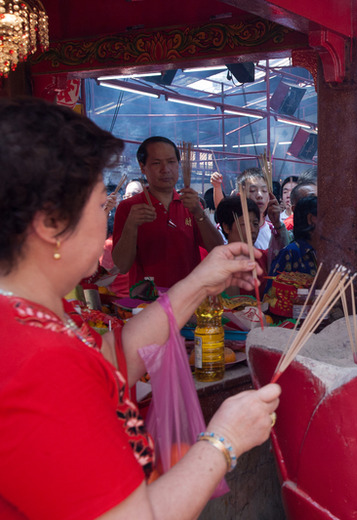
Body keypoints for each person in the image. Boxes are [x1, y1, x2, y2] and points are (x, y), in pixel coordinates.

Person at [0, 97, 280, 519]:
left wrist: (199, 281)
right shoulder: (40, 363)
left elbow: (113, 356)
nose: (106, 217)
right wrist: (224, 440)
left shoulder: (33, 314)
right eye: (100, 205)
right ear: (52, 224)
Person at [112, 137, 225, 289]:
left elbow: (217, 248)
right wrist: (131, 226)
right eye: (156, 163)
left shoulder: (190, 204)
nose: (165, 169)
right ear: (142, 167)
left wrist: (199, 213)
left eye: (171, 162)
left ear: (178, 165)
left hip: (188, 297)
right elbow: (122, 266)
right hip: (147, 301)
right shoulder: (129, 208)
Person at [214, 195, 268, 296]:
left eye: (255, 224)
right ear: (226, 227)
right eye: (245, 225)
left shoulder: (262, 257)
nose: (252, 230)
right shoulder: (218, 263)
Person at [270, 195, 319, 278]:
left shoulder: (327, 250)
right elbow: (273, 288)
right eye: (326, 216)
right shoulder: (290, 253)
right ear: (311, 219)